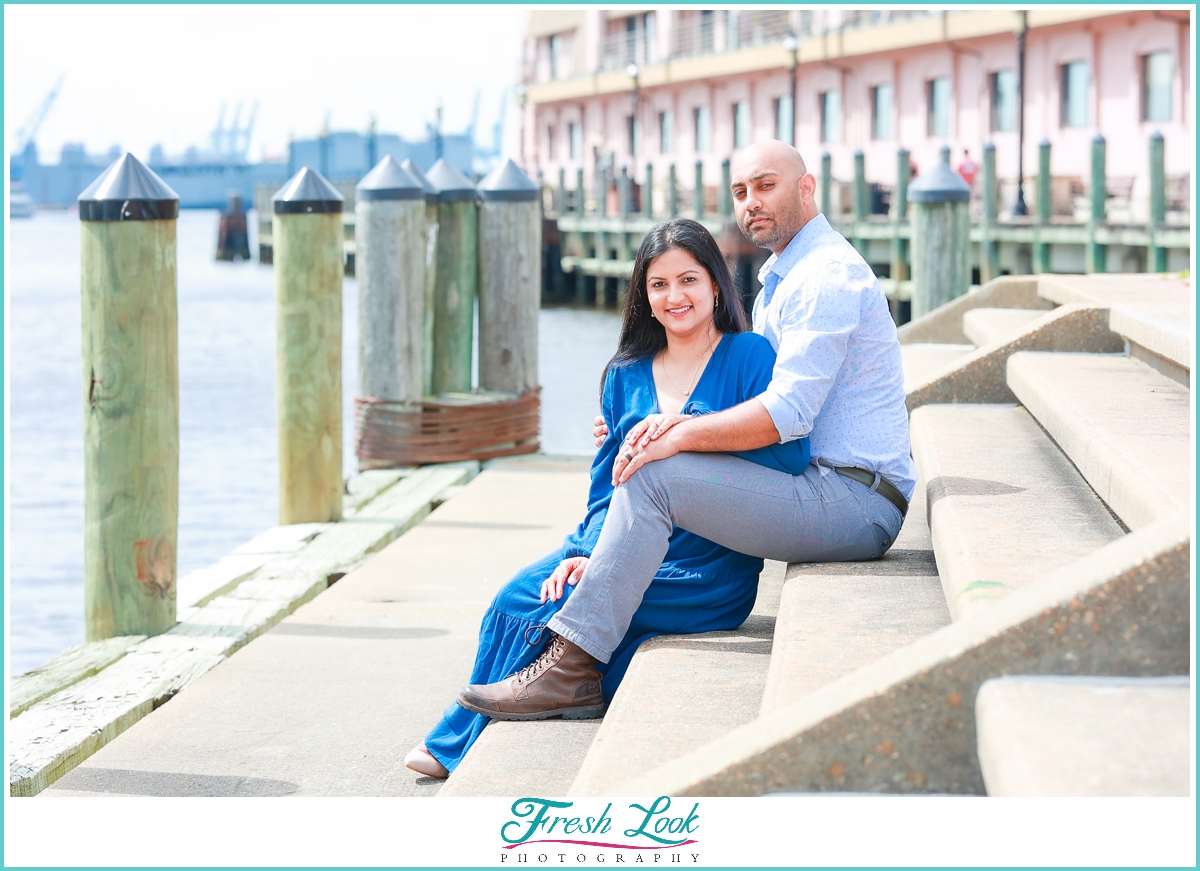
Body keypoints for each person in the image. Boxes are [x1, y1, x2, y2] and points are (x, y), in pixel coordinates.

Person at [461, 140, 915, 721]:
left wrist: (676, 431)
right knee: (651, 460)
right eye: (741, 191)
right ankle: (565, 657)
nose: (752, 202)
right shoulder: (786, 271)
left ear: (807, 189)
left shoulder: (825, 276)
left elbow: (787, 414)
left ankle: (571, 666)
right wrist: (635, 423)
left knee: (659, 471)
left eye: (767, 185)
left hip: (855, 500)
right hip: (820, 484)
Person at [404, 218, 810, 779]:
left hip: (708, 569)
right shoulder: (624, 375)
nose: (676, 297)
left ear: (716, 284)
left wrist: (683, 430)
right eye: (659, 284)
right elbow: (606, 489)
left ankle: (457, 744)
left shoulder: (749, 357)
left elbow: (787, 459)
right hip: (621, 547)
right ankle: (486, 723)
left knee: (558, 609)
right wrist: (587, 553)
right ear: (644, 296)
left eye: (688, 280)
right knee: (516, 596)